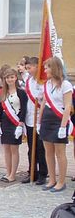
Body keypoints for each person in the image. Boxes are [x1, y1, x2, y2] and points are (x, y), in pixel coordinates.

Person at [38, 57, 73, 193]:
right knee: (49, 152)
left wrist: (63, 127)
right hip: (47, 120)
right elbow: (43, 104)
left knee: (60, 153)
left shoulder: (65, 85)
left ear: (55, 68)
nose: (45, 70)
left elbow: (68, 106)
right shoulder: (46, 84)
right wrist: (39, 122)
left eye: (47, 67)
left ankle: (61, 181)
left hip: (59, 120)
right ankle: (51, 179)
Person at [0, 68, 28, 183]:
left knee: (14, 149)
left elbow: (24, 110)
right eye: (7, 77)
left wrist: (20, 125)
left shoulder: (21, 92)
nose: (10, 79)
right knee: (6, 149)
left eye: (12, 77)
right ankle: (8, 172)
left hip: (15, 122)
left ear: (16, 78)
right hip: (4, 123)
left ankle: (13, 174)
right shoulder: (2, 92)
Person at [22, 57, 47, 185]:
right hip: (29, 118)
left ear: (37, 66)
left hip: (40, 119)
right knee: (31, 147)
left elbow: (45, 99)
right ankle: (32, 171)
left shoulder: (43, 81)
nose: (28, 70)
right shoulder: (28, 81)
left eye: (30, 67)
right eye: (27, 68)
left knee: (41, 148)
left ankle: (43, 173)